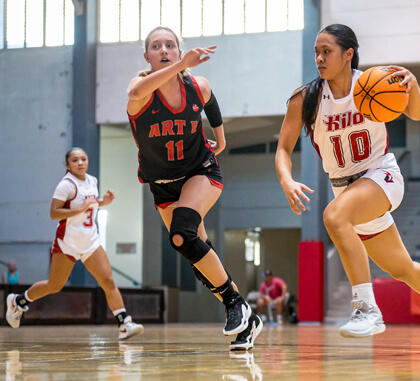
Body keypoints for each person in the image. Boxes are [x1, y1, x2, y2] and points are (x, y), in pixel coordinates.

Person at [274, 24, 420, 353]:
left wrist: (412, 86)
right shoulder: (306, 98)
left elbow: (416, 114)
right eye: (316, 51)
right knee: (402, 269)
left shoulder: (373, 83)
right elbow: (283, 148)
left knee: (334, 218)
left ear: (348, 54)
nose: (319, 57)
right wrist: (286, 179)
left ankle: (366, 308)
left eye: (326, 51)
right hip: (346, 190)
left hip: (381, 176)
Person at [126, 26, 260, 350]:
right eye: (156, 46)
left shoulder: (196, 86)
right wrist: (180, 64)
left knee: (181, 234)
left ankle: (235, 305)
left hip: (200, 172)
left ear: (178, 49)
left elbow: (211, 103)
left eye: (170, 45)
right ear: (147, 56)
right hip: (162, 187)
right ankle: (247, 321)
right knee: (198, 258)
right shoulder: (139, 90)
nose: (163, 50)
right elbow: (135, 93)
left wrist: (222, 139)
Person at [5, 148, 143, 339]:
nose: (80, 163)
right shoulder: (66, 185)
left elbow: (90, 206)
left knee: (108, 281)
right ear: (68, 165)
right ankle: (18, 301)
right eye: (75, 160)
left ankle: (124, 323)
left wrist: (104, 202)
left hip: (90, 241)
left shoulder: (92, 180)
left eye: (83, 159)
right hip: (67, 242)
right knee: (54, 285)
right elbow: (54, 213)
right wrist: (79, 209)